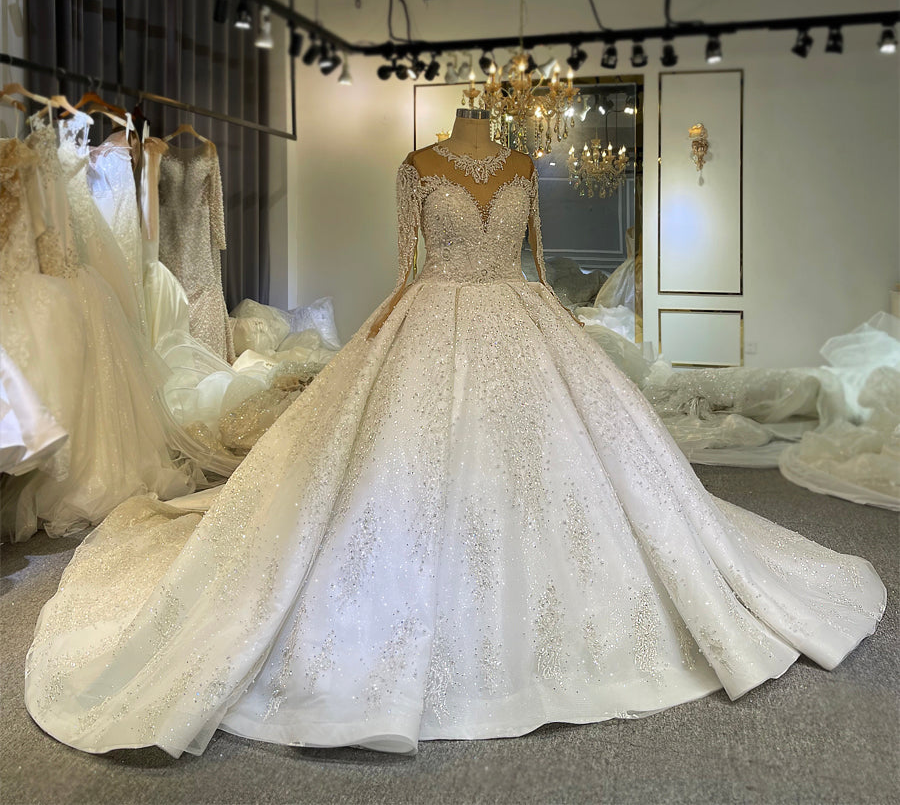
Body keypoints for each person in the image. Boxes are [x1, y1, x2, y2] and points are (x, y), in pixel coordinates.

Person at [25, 109, 885, 757]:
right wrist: (376, 334)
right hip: (438, 318)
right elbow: (409, 268)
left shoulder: (520, 163)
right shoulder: (418, 165)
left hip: (517, 317)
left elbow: (530, 264)